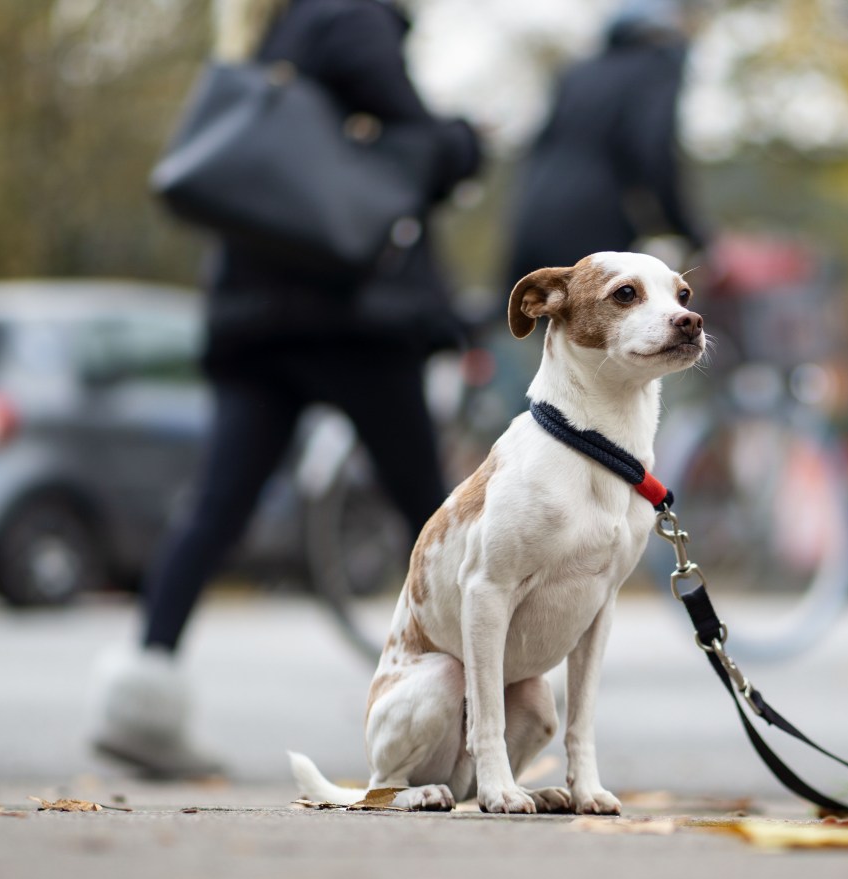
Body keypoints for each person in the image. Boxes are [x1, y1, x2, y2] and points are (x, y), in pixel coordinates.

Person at [89, 0, 482, 779]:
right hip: (353, 319)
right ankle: (470, 723)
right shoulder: (355, 19)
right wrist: (467, 143)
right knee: (432, 518)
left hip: (255, 319)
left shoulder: (278, 28)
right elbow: (415, 144)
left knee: (213, 508)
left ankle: (140, 697)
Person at [504, 0, 709, 286]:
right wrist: (693, 233)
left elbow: (538, 148)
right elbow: (654, 153)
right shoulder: (657, 64)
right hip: (593, 227)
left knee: (533, 325)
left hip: (531, 220)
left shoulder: (577, 72)